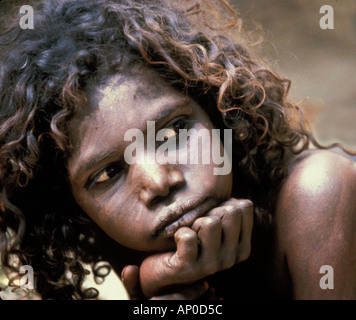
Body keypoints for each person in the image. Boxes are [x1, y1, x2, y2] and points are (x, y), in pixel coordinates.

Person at [0, 0, 355, 300]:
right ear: (74, 211)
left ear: (218, 110)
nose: (159, 182)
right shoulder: (143, 255)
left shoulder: (320, 191)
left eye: (172, 132)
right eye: (107, 173)